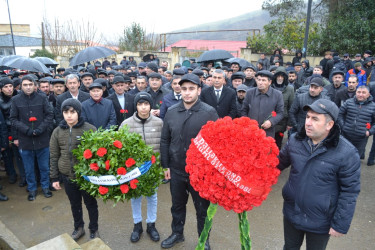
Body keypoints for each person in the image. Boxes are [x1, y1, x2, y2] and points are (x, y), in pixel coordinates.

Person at [278, 99, 360, 250]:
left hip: (320, 219)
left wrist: (340, 224)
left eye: (315, 119)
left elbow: (350, 191)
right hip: (292, 211)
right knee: (289, 247)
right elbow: (276, 164)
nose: (308, 122)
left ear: (329, 125)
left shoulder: (347, 153)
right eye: (308, 117)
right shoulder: (295, 140)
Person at [160, 73, 218, 249]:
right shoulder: (171, 112)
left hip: (199, 173)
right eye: (183, 88)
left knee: (202, 209)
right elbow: (165, 140)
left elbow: (217, 143)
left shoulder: (209, 112)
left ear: (199, 90)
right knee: (177, 206)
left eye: (191, 89)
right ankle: (177, 233)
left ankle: (204, 239)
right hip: (177, 169)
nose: (187, 93)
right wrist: (165, 165)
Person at [50, 98, 100, 240]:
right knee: (74, 204)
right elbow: (54, 155)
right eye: (66, 112)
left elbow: (97, 155)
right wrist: (54, 177)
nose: (69, 115)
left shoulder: (90, 129)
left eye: (73, 112)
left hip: (86, 177)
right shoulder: (57, 131)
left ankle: (94, 229)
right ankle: (78, 228)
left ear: (78, 112)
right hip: (68, 176)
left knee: (91, 203)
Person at [119, 92, 163, 243]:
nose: (143, 108)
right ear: (136, 106)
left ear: (151, 105)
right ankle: (137, 225)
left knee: (152, 197)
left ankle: (151, 225)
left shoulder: (159, 123)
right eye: (140, 104)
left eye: (146, 104)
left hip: (153, 169)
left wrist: (162, 166)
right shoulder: (126, 125)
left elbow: (163, 145)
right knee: (135, 198)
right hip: (134, 171)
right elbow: (120, 149)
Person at [9, 75, 54, 201]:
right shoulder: (16, 100)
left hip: (42, 138)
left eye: (30, 84)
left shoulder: (42, 97)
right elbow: (13, 119)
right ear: (21, 86)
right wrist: (26, 130)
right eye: (25, 85)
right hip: (25, 139)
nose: (28, 87)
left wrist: (41, 128)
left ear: (35, 86)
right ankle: (32, 189)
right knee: (28, 168)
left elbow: (49, 114)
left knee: (44, 166)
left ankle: (45, 187)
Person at [241, 70, 284, 138]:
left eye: (263, 80)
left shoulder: (278, 95)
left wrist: (271, 122)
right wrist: (247, 123)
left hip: (267, 132)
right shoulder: (249, 93)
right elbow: (244, 110)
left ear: (269, 82)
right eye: (259, 80)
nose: (260, 83)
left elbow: (280, 113)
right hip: (250, 131)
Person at [0, 77, 25, 186]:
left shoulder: (20, 96)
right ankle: (12, 174)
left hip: (19, 128)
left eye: (10, 86)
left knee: (21, 154)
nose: (9, 89)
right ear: (1, 89)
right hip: (6, 129)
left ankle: (24, 175)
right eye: (6, 87)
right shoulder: (0, 101)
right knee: (8, 154)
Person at [338, 85, 375, 158]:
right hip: (346, 136)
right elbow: (340, 114)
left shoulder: (373, 106)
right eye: (359, 92)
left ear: (368, 94)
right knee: (342, 156)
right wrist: (343, 126)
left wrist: (370, 132)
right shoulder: (348, 102)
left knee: (355, 158)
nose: (361, 94)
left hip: (361, 138)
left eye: (364, 92)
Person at [271, 67, 294, 148]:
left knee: (278, 144)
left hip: (282, 121)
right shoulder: (270, 87)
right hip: (269, 119)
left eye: (282, 76)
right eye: (278, 76)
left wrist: (289, 123)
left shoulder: (289, 89)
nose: (280, 78)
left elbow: (291, 106)